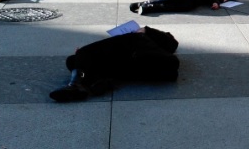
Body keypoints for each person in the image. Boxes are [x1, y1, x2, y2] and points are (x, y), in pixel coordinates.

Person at [49, 26, 179, 102]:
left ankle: (77, 84)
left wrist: (143, 30)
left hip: (149, 60)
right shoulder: (149, 46)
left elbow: (169, 41)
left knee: (82, 54)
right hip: (139, 66)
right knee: (73, 60)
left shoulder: (142, 37)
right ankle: (98, 81)